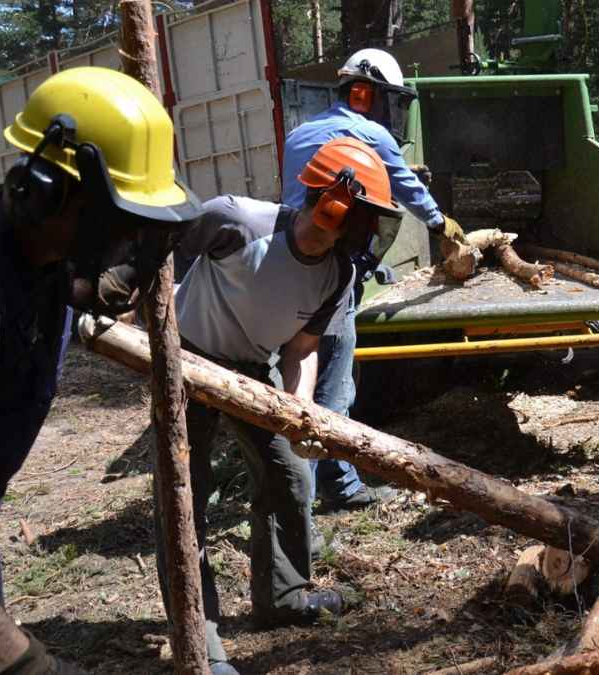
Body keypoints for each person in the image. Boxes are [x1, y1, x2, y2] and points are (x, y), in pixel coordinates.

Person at [0, 67, 200, 674]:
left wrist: (92, 286)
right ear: (44, 192)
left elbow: (45, 290)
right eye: (118, 221)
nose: (129, 238)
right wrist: (20, 661)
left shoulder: (33, 246)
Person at [164, 137, 407, 675]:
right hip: (186, 360)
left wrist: (299, 412)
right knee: (185, 493)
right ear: (334, 204)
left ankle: (284, 597)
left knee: (289, 476)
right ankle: (199, 637)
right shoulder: (237, 221)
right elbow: (160, 252)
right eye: (366, 217)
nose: (370, 231)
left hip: (251, 369)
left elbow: (301, 349)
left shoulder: (337, 275)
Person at [281, 47, 465, 510]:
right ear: (365, 93)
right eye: (389, 99)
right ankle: (328, 492)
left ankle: (312, 483)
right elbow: (407, 188)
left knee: (300, 373)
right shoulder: (371, 133)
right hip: (330, 272)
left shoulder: (298, 134)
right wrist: (441, 224)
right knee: (334, 386)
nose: (391, 110)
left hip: (288, 265)